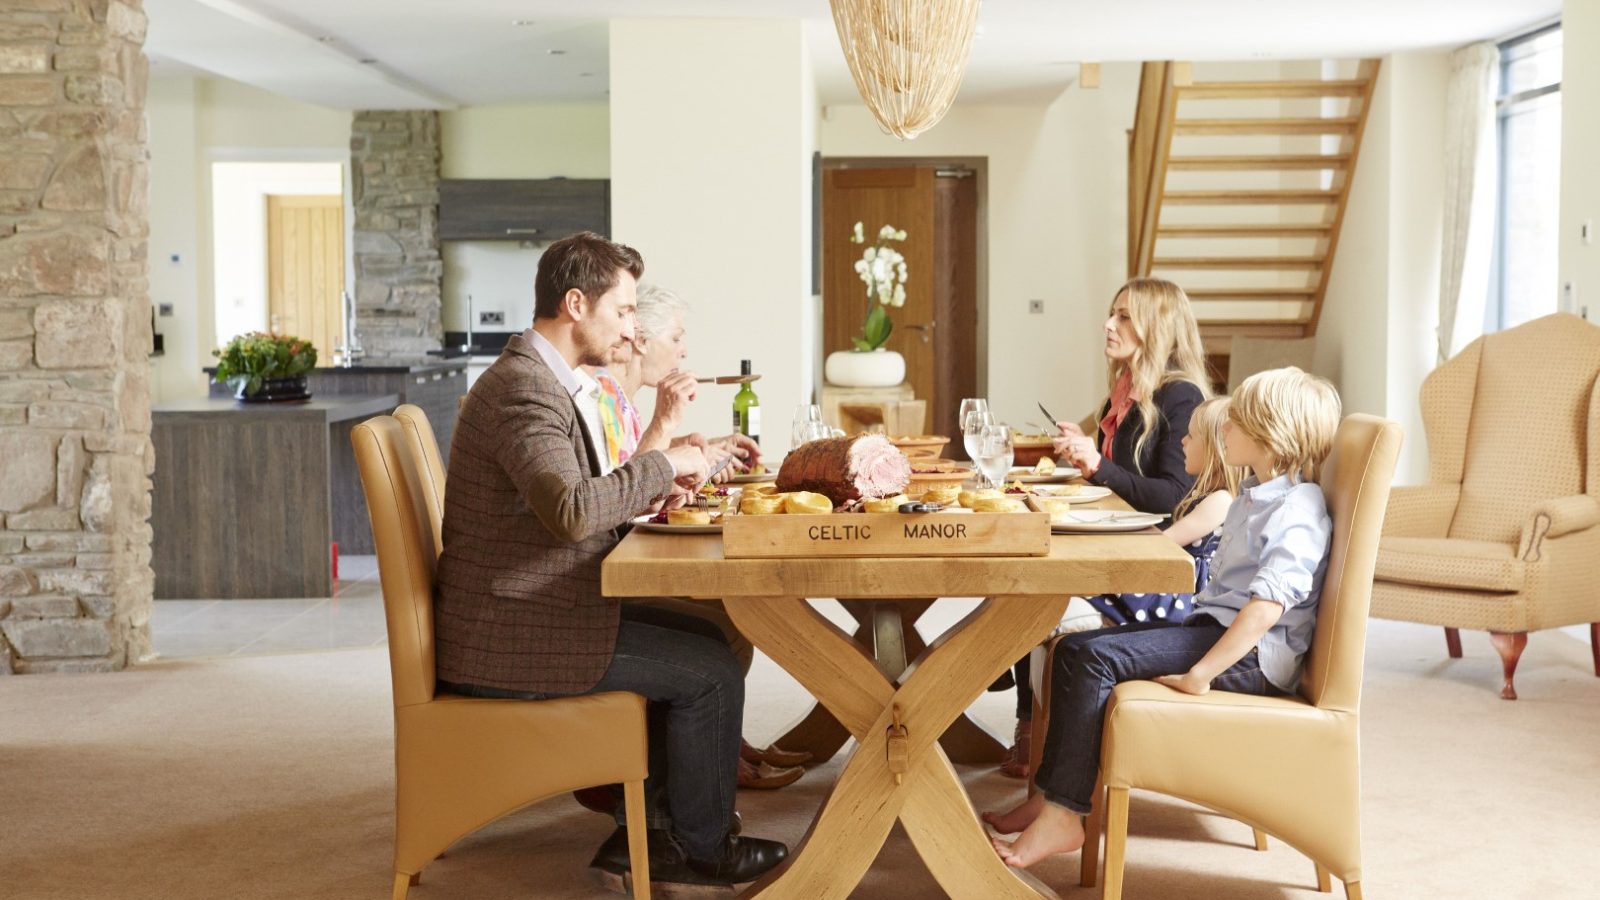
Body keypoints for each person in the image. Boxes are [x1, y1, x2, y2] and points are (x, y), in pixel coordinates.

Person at [434, 231, 788, 890]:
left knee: (711, 631)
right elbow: (570, 512)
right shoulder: (524, 389)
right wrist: (665, 464)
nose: (632, 329)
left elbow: (577, 503)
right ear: (576, 304)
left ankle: (647, 831)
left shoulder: (541, 380)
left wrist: (663, 472)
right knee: (710, 669)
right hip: (514, 635)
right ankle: (700, 851)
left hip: (531, 609)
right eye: (623, 312)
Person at [985, 367, 1342, 869]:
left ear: (1269, 435)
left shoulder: (1296, 509)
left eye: (1235, 421)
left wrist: (1202, 673)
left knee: (1092, 660)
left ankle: (1066, 813)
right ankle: (1050, 798)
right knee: (1073, 649)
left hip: (1246, 656)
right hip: (1214, 631)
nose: (1224, 429)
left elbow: (1266, 608)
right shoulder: (1256, 498)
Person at [579, 284, 810, 791]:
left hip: (612, 559)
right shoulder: (599, 395)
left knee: (729, 617)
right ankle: (711, 756)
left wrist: (693, 451)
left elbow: (630, 469)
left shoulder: (618, 396)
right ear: (639, 338)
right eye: (677, 337)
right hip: (597, 582)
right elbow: (620, 491)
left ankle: (719, 746)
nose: (684, 350)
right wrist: (670, 431)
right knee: (725, 619)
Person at [1000, 277, 1212, 779]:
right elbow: (1121, 483)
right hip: (1124, 547)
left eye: (1123, 316)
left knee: (1035, 597)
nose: (1108, 324)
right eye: (1112, 313)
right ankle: (1029, 730)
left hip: (1160, 570)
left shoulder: (1180, 397)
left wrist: (1096, 465)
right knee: (1021, 585)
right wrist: (1086, 452)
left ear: (1155, 327)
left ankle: (1035, 737)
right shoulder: (1127, 391)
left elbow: (1170, 497)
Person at [1084, 396, 1243, 626]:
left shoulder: (1221, 500)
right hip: (1176, 584)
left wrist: (1111, 548)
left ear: (1213, 449)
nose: (1182, 442)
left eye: (1191, 436)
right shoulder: (1206, 494)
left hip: (1184, 598)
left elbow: (1165, 543)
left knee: (1095, 582)